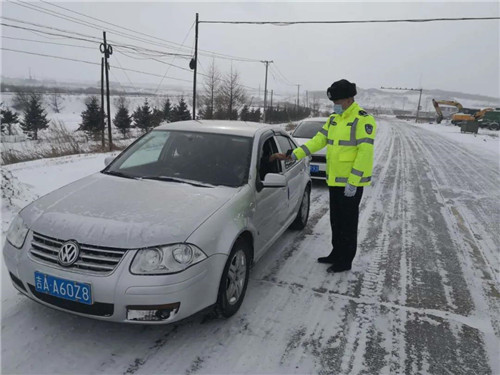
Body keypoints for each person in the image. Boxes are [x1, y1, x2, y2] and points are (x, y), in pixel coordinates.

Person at [288, 79, 376, 273]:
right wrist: (295, 153)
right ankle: (336, 253)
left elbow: (364, 154)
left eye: (337, 101)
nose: (334, 105)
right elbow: (319, 140)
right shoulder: (334, 119)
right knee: (336, 220)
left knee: (348, 223)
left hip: (350, 184)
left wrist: (353, 182)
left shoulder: (363, 120)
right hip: (334, 180)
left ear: (348, 99)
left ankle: (345, 261)